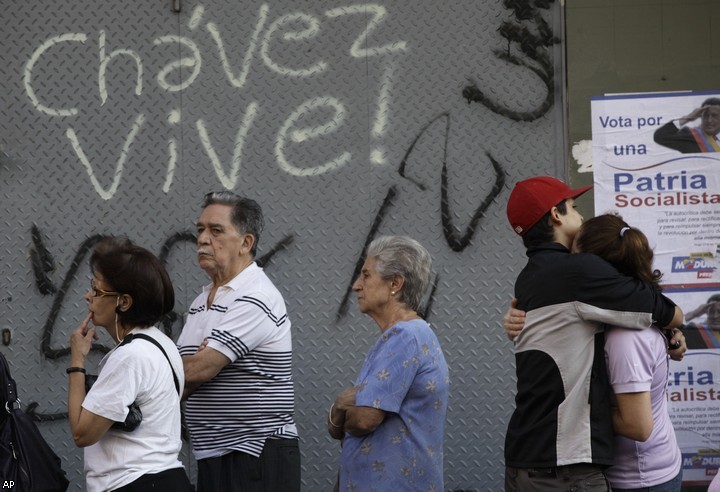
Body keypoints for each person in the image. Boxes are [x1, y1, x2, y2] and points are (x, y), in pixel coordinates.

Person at [503, 176, 684, 492]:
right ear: (555, 215)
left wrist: (669, 337)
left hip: (522, 459)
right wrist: (671, 325)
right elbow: (668, 311)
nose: (581, 215)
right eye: (573, 207)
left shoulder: (527, 279)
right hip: (565, 468)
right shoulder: (577, 271)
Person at [177, 191, 300, 491]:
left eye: (216, 231)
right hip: (215, 453)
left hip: (255, 453)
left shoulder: (254, 295)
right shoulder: (200, 302)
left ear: (246, 243)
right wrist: (193, 365)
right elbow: (182, 371)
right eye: (200, 230)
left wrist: (200, 363)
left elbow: (194, 372)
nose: (203, 239)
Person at [67, 237, 191, 491]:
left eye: (97, 290)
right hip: (165, 479)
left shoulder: (130, 357)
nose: (88, 296)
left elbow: (82, 433)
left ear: (123, 302)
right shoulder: (163, 344)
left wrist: (77, 361)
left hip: (135, 483)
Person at [328, 236, 449, 491]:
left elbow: (364, 418)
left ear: (395, 283)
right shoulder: (403, 336)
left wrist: (339, 408)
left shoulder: (404, 337)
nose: (356, 286)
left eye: (366, 276)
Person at [574, 214, 682, 491]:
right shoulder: (632, 316)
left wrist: (573, 410)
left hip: (639, 479)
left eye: (575, 259)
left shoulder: (625, 339)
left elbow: (637, 427)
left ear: (596, 270)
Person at [653, 97, 720, 153]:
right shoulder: (691, 136)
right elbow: (659, 136)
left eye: (714, 116)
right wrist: (688, 117)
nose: (709, 120)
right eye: (706, 116)